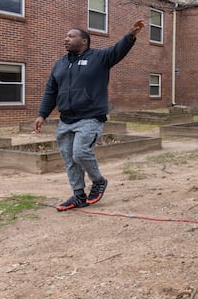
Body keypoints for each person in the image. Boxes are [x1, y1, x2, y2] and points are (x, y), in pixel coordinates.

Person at [34, 19, 145, 211]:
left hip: (90, 117)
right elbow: (51, 91)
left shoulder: (99, 58)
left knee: (80, 152)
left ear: (84, 41)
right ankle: (78, 195)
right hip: (66, 120)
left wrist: (130, 35)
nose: (66, 39)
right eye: (66, 36)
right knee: (69, 159)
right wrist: (42, 114)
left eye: (71, 36)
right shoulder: (59, 65)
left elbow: (117, 50)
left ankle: (98, 181)